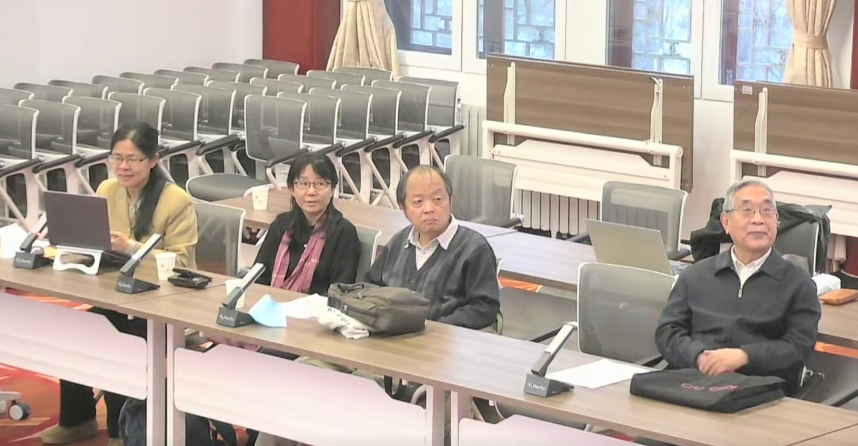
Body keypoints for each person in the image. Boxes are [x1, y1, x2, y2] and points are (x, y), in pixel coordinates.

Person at [42, 121, 198, 446]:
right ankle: (78, 419)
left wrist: (130, 247)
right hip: (117, 293)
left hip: (162, 304)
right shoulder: (107, 189)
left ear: (153, 160)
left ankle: (120, 429)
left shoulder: (176, 200)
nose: (123, 166)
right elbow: (97, 240)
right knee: (73, 330)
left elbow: (181, 263)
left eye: (133, 159)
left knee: (116, 340)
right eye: (117, 158)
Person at [655, 179, 820, 394]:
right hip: (693, 383)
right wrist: (699, 356)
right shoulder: (695, 275)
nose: (758, 220)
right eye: (747, 211)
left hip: (759, 391)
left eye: (767, 211)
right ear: (726, 222)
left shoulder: (798, 282)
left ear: (776, 221)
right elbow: (668, 332)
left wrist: (744, 356)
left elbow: (799, 346)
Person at [366, 165, 500, 330]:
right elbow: (371, 287)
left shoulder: (474, 248)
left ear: (450, 200)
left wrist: (436, 329)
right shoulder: (398, 241)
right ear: (403, 209)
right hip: (391, 336)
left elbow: (484, 308)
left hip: (445, 340)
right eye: (418, 202)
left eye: (437, 199)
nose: (429, 209)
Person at [253, 153, 361, 294]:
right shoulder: (280, 226)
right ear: (291, 189)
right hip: (272, 303)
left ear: (332, 189)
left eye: (320, 184)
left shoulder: (343, 233)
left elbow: (340, 291)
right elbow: (258, 276)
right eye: (303, 184)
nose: (311, 192)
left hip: (318, 307)